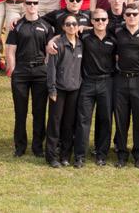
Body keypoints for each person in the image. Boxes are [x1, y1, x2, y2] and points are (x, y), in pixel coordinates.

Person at [6, 0, 54, 158]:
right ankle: (20, 146)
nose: (32, 5)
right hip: (21, 72)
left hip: (40, 72)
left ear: (38, 5)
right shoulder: (17, 26)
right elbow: (11, 50)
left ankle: (37, 146)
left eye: (35, 3)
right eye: (29, 3)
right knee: (20, 111)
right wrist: (12, 69)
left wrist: (47, 67)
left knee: (39, 111)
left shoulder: (46, 26)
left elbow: (50, 50)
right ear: (24, 5)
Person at [73, 7, 117, 166]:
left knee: (105, 119)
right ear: (91, 21)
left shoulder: (113, 39)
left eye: (103, 19)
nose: (100, 22)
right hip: (88, 82)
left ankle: (101, 154)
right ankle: (79, 156)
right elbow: (65, 36)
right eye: (97, 19)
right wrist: (51, 41)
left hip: (107, 82)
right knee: (83, 120)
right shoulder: (83, 35)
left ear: (107, 21)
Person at [112, 4, 139, 168]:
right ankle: (121, 154)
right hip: (120, 79)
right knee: (121, 119)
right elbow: (95, 29)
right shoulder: (116, 31)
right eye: (128, 14)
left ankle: (138, 154)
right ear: (124, 16)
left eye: (134, 14)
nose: (131, 17)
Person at [45, 15, 84, 167]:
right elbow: (51, 68)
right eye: (68, 24)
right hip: (59, 90)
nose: (71, 26)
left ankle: (65, 156)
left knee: (69, 124)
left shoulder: (81, 44)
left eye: (74, 24)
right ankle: (51, 156)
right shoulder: (57, 45)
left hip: (74, 90)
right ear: (63, 27)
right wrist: (52, 89)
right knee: (55, 123)